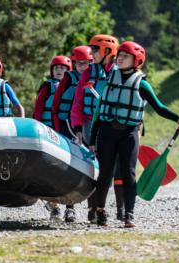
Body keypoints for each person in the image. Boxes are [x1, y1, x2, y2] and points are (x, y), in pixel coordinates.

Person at [89, 41, 179, 228]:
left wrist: (178, 119)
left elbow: (159, 107)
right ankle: (100, 210)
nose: (120, 58)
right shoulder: (109, 78)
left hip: (129, 134)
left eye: (125, 56)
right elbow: (99, 113)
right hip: (107, 132)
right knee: (104, 174)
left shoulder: (142, 84)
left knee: (129, 174)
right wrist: (92, 139)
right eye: (120, 55)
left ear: (137, 61)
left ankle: (129, 215)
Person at [70, 34, 119, 223]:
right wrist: (78, 128)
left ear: (108, 51)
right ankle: (92, 209)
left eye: (95, 50)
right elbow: (77, 104)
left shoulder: (117, 72)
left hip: (111, 125)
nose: (92, 53)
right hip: (90, 124)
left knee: (107, 169)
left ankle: (102, 208)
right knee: (93, 168)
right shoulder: (88, 74)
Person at [33, 55, 74, 221]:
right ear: (52, 70)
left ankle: (70, 208)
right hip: (48, 132)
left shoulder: (72, 87)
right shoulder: (47, 86)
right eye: (56, 68)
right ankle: (54, 207)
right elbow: (38, 108)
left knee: (69, 170)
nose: (59, 71)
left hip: (65, 132)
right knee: (49, 170)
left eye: (63, 68)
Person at [52, 46, 93, 140]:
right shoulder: (68, 78)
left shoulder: (95, 78)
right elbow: (56, 102)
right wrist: (56, 126)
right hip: (65, 122)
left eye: (85, 63)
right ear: (74, 64)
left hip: (85, 122)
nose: (82, 66)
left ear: (90, 62)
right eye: (79, 63)